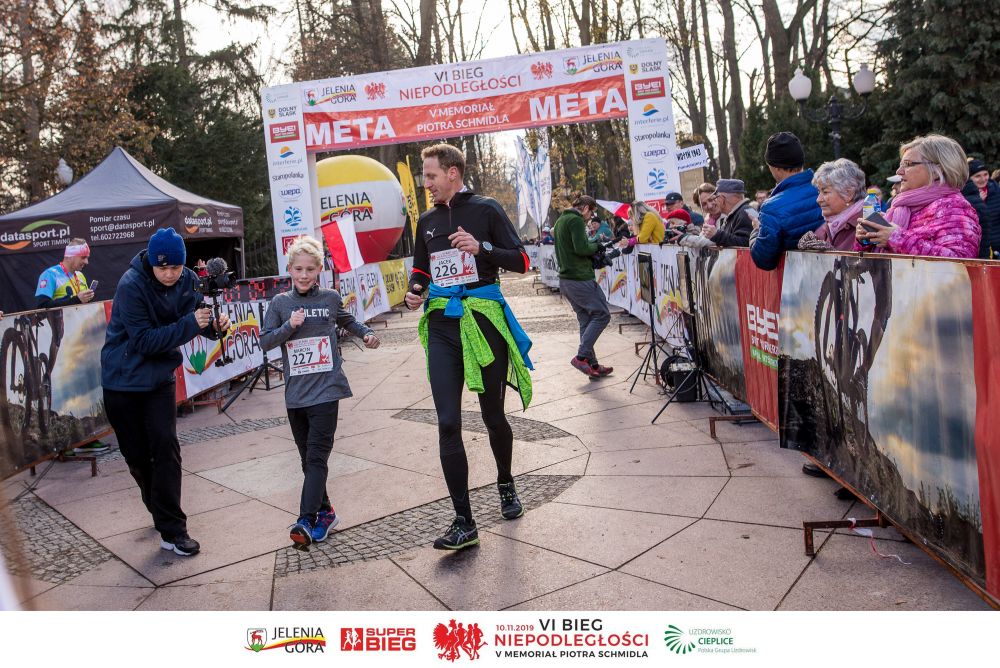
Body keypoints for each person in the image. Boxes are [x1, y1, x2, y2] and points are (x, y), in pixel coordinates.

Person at [404, 143, 534, 551]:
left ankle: (506, 483)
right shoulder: (426, 221)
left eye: (430, 176)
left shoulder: (486, 209)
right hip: (442, 325)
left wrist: (482, 248)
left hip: (483, 320)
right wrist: (414, 292)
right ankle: (464, 521)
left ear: (453, 172)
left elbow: (522, 262)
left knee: (493, 416)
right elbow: (421, 270)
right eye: (424, 177)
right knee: (447, 422)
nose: (426, 183)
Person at [101, 228, 230, 557]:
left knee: (166, 449)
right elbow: (145, 341)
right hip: (122, 381)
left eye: (176, 267)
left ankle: (174, 531)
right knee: (138, 458)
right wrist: (193, 324)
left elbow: (199, 317)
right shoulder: (131, 285)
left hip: (159, 379)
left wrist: (215, 326)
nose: (170, 274)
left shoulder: (188, 280)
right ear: (151, 263)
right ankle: (158, 506)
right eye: (163, 268)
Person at [259, 236, 380, 549]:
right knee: (308, 461)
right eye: (298, 269)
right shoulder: (280, 304)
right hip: (296, 396)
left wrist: (367, 334)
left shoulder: (329, 298)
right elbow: (265, 341)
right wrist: (289, 326)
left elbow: (349, 321)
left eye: (310, 269)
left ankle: (305, 519)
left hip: (327, 390)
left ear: (319, 271)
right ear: (289, 269)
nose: (304, 275)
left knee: (316, 458)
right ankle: (326, 513)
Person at [854, 134, 980, 258]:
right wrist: (867, 239)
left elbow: (960, 261)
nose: (899, 171)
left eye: (908, 164)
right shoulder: (903, 205)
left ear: (937, 171)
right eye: (901, 165)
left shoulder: (954, 207)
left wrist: (896, 238)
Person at [553, 194, 614, 379]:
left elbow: (575, 246)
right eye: (591, 212)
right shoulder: (576, 220)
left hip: (567, 279)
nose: (591, 217)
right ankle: (581, 357)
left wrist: (592, 243)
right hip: (579, 278)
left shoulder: (561, 220)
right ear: (586, 208)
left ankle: (592, 364)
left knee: (586, 320)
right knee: (602, 315)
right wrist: (596, 245)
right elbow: (581, 249)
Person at [750, 132, 824, 270]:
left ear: (775, 167)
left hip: (797, 278)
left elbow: (764, 260)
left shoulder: (772, 207)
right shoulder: (826, 188)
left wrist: (756, 231)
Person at [797, 158, 867, 251]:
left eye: (825, 192)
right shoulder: (824, 229)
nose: (818, 200)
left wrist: (833, 255)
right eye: (819, 192)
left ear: (848, 194)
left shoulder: (871, 226)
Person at [35, 238, 95, 309]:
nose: (86, 262)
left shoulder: (80, 275)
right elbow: (42, 306)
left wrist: (87, 299)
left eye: (87, 258)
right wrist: (76, 300)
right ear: (70, 256)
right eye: (83, 257)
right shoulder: (50, 274)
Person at [961, 157, 1000, 259]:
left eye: (985, 174)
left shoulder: (996, 191)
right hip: (979, 248)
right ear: (969, 178)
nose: (983, 179)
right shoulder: (963, 195)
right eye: (977, 176)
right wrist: (977, 201)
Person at [701, 179, 753, 247]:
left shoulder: (745, 213)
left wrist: (717, 235)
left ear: (722, 199)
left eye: (716, 197)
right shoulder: (742, 212)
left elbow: (746, 243)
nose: (715, 201)